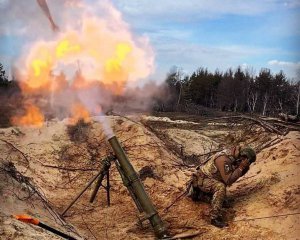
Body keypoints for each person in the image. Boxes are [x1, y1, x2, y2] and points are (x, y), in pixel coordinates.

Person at [188, 146, 256, 228]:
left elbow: (234, 174)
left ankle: (202, 196)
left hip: (211, 179)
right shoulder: (224, 159)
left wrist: (243, 168)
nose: (247, 164)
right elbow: (228, 180)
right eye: (248, 161)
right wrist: (241, 167)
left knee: (224, 202)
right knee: (220, 187)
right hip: (202, 179)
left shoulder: (234, 157)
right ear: (243, 157)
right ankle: (214, 218)